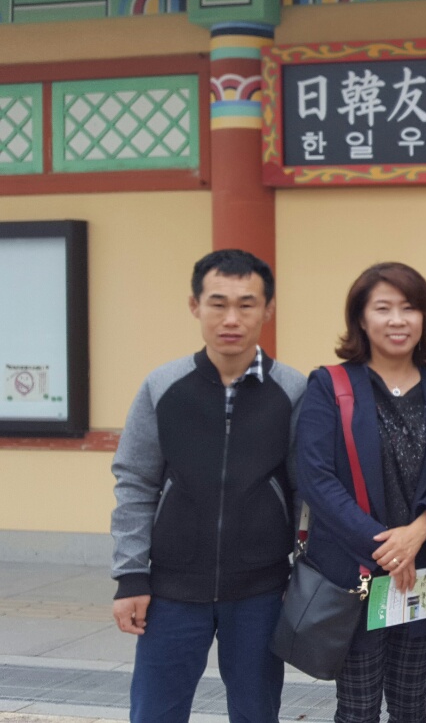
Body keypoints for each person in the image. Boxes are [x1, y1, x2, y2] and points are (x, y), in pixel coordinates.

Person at [110, 249, 306, 723]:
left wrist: (302, 574)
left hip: (261, 593)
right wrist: (131, 576)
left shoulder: (294, 390)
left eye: (246, 304)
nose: (231, 319)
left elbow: (307, 493)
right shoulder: (163, 385)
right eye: (218, 303)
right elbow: (135, 481)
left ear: (268, 309)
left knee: (257, 714)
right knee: (155, 714)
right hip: (170, 591)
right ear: (194, 305)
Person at [294, 262, 426, 723]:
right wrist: (386, 546)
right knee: (358, 707)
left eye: (409, 308)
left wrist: (419, 532)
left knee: (411, 703)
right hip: (357, 570)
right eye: (383, 308)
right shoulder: (330, 384)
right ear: (361, 319)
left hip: (424, 567)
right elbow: (316, 478)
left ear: (425, 317)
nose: (397, 320)